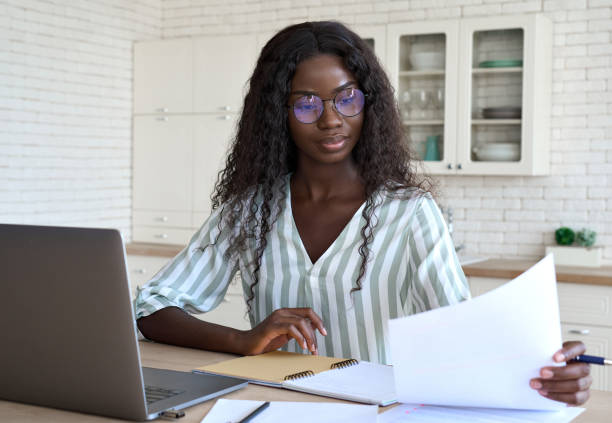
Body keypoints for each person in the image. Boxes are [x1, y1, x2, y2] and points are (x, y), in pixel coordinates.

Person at [135, 21, 591, 406]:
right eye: (307, 103)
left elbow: (462, 334)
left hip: (381, 413)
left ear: (367, 103)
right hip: (273, 409)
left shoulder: (411, 213)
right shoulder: (249, 211)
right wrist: (241, 340)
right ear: (279, 114)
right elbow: (151, 307)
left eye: (346, 98)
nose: (331, 119)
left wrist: (545, 369)